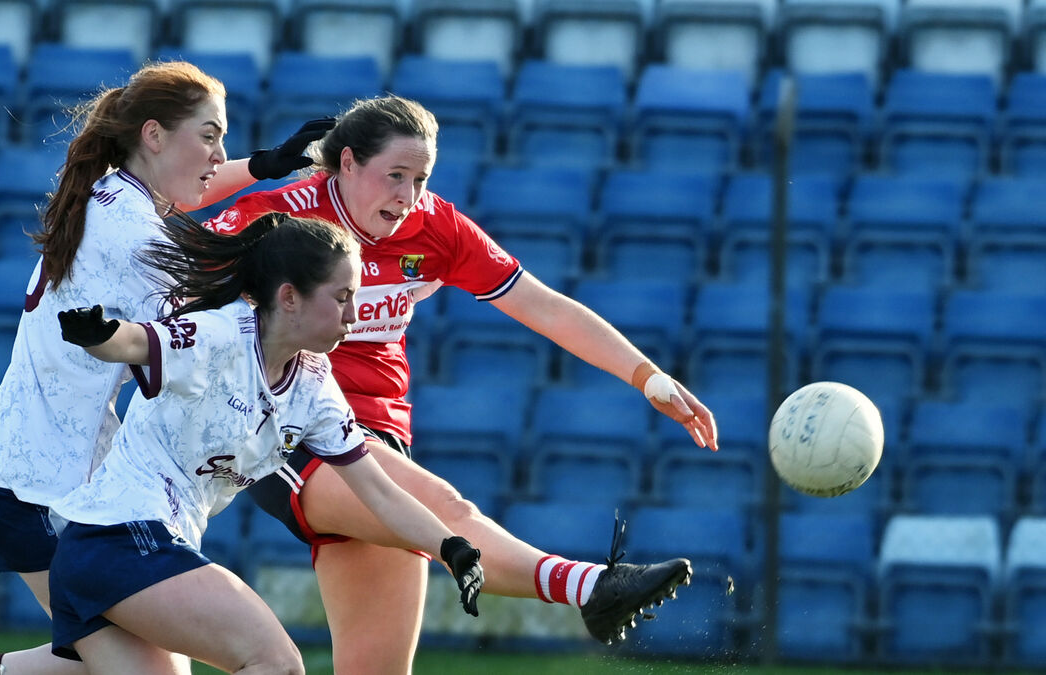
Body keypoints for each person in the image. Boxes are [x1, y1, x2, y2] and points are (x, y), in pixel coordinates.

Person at [202, 95, 719, 674]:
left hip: (379, 432)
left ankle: (590, 590)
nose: (408, 195)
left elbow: (543, 307)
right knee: (444, 508)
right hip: (288, 426)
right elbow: (168, 248)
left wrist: (648, 376)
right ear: (346, 163)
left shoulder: (435, 226)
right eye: (395, 175)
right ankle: (590, 587)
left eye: (420, 179)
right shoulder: (279, 218)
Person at [0, 61, 333, 675]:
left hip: (50, 472)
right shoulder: (139, 240)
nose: (219, 154)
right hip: (37, 486)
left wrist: (261, 167)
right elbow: (207, 350)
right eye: (209, 136)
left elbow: (188, 192)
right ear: (153, 135)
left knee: (127, 663)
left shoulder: (112, 193)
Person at [45, 211, 484, 672]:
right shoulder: (221, 334)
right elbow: (136, 342)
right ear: (289, 297)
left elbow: (378, 492)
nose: (354, 316)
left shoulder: (314, 385)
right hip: (120, 537)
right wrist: (99, 336)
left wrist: (450, 546)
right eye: (342, 298)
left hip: (112, 555)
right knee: (278, 663)